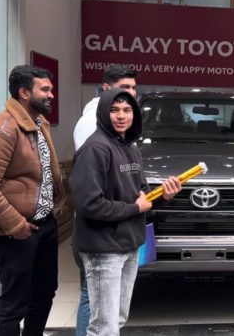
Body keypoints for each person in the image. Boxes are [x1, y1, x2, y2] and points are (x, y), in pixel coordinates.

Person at [70, 88, 181, 336]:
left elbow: (142, 196)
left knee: (117, 319)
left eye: (127, 110)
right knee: (103, 326)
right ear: (103, 112)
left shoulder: (130, 148)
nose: (121, 116)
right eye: (114, 109)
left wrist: (164, 196)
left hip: (129, 244)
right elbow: (89, 204)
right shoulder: (95, 149)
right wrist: (134, 208)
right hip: (103, 248)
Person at [0, 65, 65, 335]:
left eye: (51, 89)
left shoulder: (38, 123)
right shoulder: (2, 130)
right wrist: (15, 224)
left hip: (44, 225)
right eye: (44, 90)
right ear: (24, 93)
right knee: (15, 302)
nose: (51, 95)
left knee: (44, 293)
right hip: (16, 232)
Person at [72, 64, 138, 336]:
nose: (122, 114)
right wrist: (135, 206)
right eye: (124, 89)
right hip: (102, 237)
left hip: (122, 234)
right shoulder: (95, 133)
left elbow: (130, 185)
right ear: (106, 89)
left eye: (133, 90)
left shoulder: (125, 142)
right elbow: (92, 195)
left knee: (112, 318)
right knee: (101, 321)